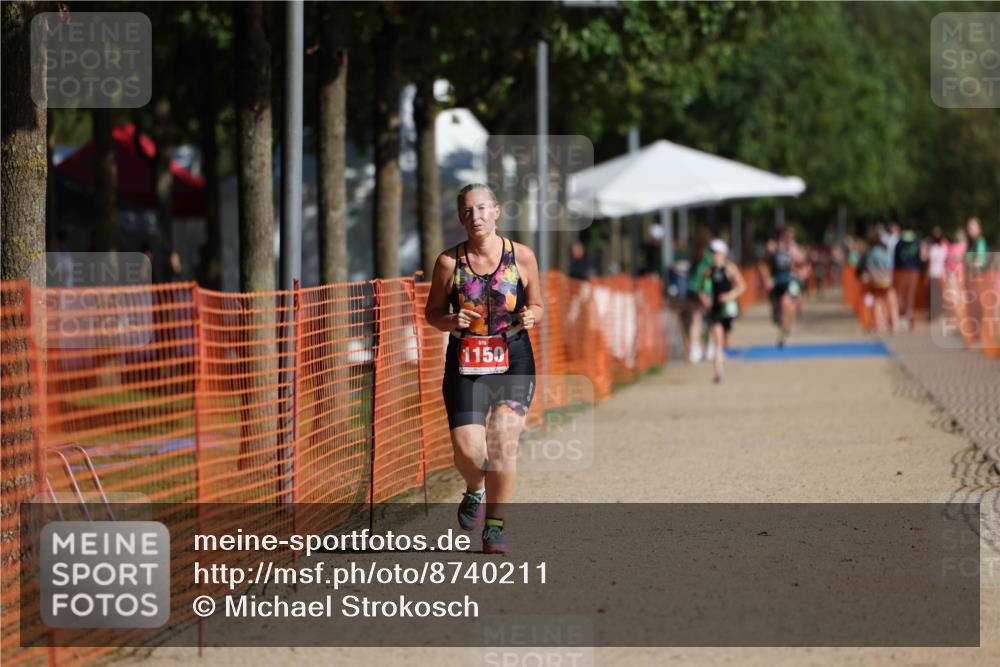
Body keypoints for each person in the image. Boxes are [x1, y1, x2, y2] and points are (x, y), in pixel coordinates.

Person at [424, 183, 543, 554]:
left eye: (481, 209)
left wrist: (531, 315)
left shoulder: (521, 256)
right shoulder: (448, 263)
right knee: (469, 451)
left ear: (496, 211)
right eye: (466, 211)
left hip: (513, 357)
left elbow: (538, 305)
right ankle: (475, 487)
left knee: (503, 444)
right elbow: (432, 313)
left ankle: (494, 527)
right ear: (461, 217)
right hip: (466, 361)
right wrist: (449, 320)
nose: (474, 217)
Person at [700, 239, 746, 383]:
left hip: (729, 310)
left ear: (723, 253)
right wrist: (705, 299)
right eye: (711, 252)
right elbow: (703, 290)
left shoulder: (730, 269)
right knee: (718, 341)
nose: (713, 255)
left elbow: (742, 286)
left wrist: (730, 296)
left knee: (726, 343)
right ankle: (718, 373)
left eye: (715, 252)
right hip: (715, 310)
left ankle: (722, 355)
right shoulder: (708, 272)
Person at [760, 226, 806, 348]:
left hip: (790, 281)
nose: (790, 238)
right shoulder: (773, 247)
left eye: (792, 236)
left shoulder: (794, 248)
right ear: (782, 235)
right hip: (776, 281)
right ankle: (782, 324)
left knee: (787, 304)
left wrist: (797, 255)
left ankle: (784, 331)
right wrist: (766, 279)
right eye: (788, 235)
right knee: (776, 314)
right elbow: (763, 263)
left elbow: (802, 261)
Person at [859, 231, 899, 334]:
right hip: (887, 279)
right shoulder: (885, 251)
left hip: (877, 280)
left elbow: (869, 268)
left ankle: (879, 325)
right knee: (891, 303)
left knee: (877, 302)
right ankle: (894, 325)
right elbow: (890, 265)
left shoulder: (871, 253)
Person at [893, 220, 923, 329]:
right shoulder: (916, 241)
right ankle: (909, 316)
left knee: (900, 294)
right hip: (913, 271)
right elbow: (919, 258)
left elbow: (896, 258)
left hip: (900, 271)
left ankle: (901, 316)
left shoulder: (899, 242)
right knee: (911, 294)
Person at [925, 227, 949, 321]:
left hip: (935, 273)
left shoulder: (933, 249)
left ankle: (935, 313)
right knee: (938, 294)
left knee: (934, 294)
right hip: (940, 273)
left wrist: (927, 273)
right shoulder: (943, 248)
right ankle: (937, 313)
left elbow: (930, 262)